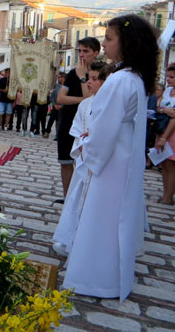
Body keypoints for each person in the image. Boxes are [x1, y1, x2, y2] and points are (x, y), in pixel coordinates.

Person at [55, 14, 157, 301]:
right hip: (122, 160)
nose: (104, 43)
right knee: (114, 221)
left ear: (126, 42)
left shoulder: (119, 80)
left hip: (109, 163)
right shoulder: (135, 77)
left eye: (109, 38)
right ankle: (109, 275)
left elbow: (105, 125)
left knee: (100, 219)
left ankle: (94, 279)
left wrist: (89, 149)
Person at [53, 61, 110, 255]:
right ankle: (72, 237)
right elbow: (77, 129)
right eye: (88, 79)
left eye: (94, 79)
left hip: (100, 163)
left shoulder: (110, 104)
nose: (89, 83)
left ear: (105, 81)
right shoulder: (85, 104)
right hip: (83, 161)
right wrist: (82, 144)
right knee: (77, 201)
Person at [56, 37, 100, 198]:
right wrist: (82, 100)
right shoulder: (72, 73)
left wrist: (83, 78)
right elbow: (60, 98)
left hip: (88, 125)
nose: (81, 55)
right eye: (79, 51)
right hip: (68, 121)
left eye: (85, 51)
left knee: (84, 162)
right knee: (65, 162)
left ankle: (83, 197)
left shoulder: (100, 74)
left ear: (96, 53)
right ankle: (67, 197)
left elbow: (93, 101)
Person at [154, 65, 175, 204]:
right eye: (167, 76)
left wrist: (164, 137)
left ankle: (169, 196)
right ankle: (165, 193)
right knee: (164, 164)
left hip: (172, 132)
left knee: (171, 165)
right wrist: (164, 111)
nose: (168, 79)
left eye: (172, 77)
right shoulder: (167, 91)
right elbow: (158, 107)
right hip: (162, 128)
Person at [44, 72, 65, 139]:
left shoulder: (67, 87)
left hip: (62, 108)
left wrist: (62, 106)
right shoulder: (56, 87)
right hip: (55, 106)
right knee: (51, 120)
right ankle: (47, 132)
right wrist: (54, 104)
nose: (58, 79)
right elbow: (52, 97)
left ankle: (58, 135)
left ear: (63, 78)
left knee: (59, 121)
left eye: (59, 77)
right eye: (58, 77)